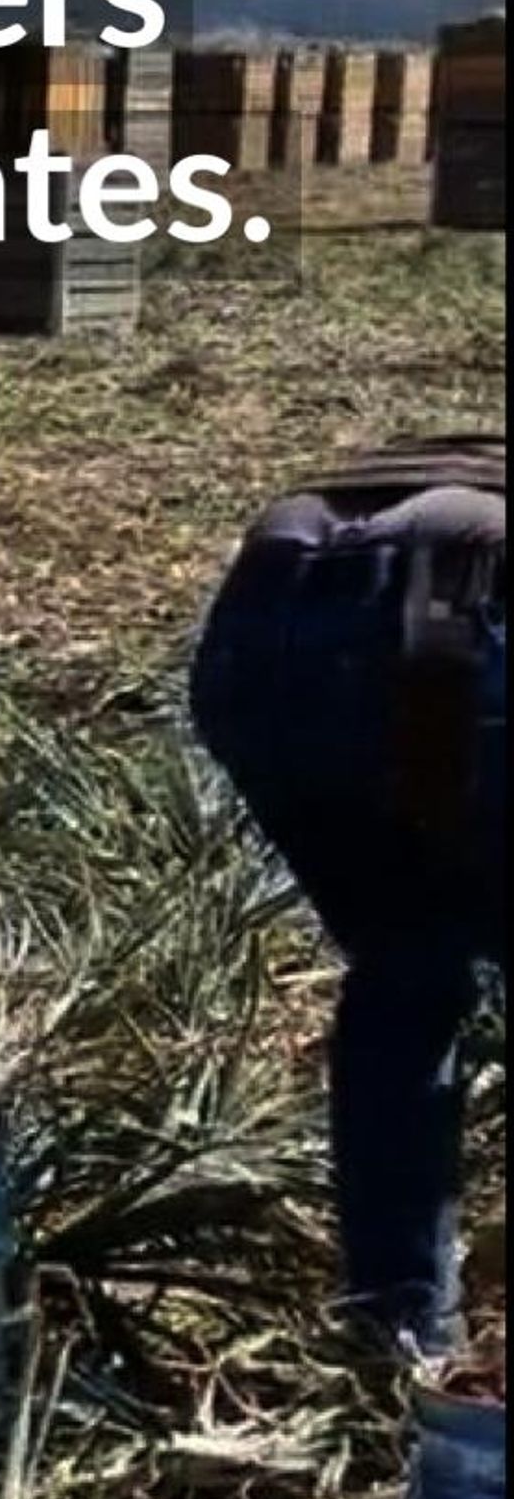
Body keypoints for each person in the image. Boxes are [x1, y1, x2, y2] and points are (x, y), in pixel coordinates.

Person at [190, 434, 505, 1359]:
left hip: (257, 636)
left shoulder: (443, 465)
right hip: (432, 620)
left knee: (409, 966)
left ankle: (400, 1322)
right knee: (424, 960)